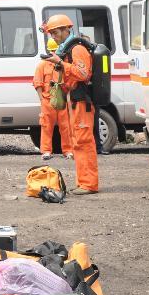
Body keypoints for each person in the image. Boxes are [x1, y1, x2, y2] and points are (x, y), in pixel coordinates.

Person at [43, 15, 99, 195]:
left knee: (84, 142)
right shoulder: (69, 50)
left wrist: (60, 63)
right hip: (75, 102)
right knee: (78, 142)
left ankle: (89, 184)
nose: (54, 36)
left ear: (67, 29)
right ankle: (84, 182)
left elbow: (82, 74)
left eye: (56, 32)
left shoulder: (77, 49)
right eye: (51, 34)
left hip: (83, 102)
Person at [33, 38, 73, 160]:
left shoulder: (64, 64)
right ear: (49, 51)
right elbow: (37, 83)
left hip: (61, 100)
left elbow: (70, 82)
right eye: (53, 51)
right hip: (47, 100)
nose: (55, 53)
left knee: (65, 126)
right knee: (46, 126)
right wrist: (42, 100)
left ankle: (68, 150)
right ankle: (46, 151)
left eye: (57, 50)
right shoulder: (42, 65)